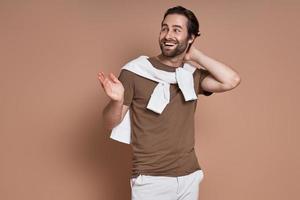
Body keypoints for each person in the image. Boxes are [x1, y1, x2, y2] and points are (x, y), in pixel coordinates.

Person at [98, 5, 241, 200]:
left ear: (190, 37)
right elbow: (110, 123)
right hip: (150, 178)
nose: (167, 35)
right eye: (164, 28)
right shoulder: (135, 71)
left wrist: (195, 55)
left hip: (189, 176)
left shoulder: (190, 75)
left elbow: (231, 80)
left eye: (176, 30)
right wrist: (117, 101)